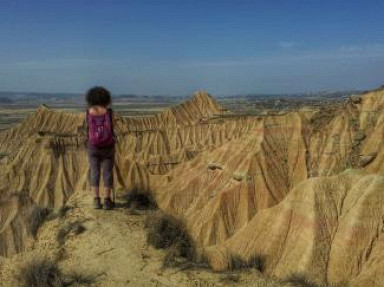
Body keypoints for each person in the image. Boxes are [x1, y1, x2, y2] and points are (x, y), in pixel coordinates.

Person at [85, 86, 115, 210]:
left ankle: (96, 201)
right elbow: (113, 126)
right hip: (108, 146)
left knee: (94, 172)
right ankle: (107, 201)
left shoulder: (88, 111)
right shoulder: (109, 112)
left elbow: (87, 126)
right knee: (107, 172)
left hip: (93, 146)